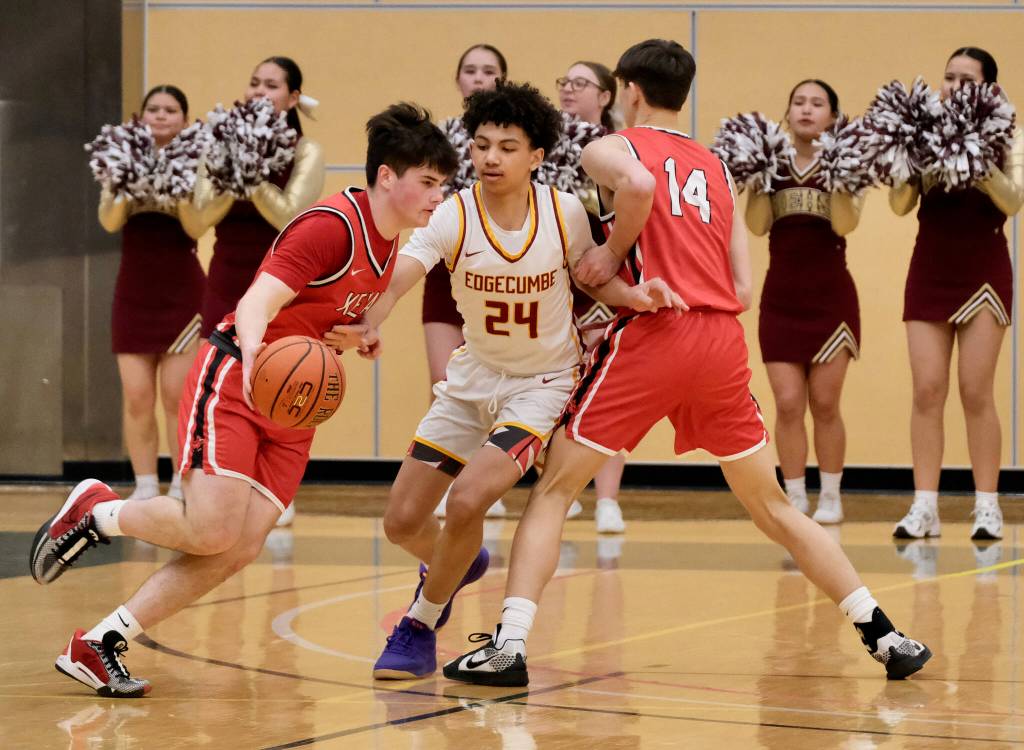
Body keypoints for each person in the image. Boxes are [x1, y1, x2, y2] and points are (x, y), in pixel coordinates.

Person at [443, 39, 931, 688]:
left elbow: (640, 185)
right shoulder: (716, 166)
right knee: (775, 507)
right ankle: (884, 633)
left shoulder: (613, 149)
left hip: (655, 333)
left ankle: (508, 646)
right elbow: (744, 286)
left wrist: (612, 254)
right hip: (720, 339)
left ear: (627, 92)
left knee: (555, 489)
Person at [28, 103, 459, 697]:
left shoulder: (391, 243)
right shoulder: (331, 225)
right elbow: (257, 300)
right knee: (210, 529)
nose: (439, 196)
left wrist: (364, 334)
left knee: (242, 545)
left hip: (294, 405)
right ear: (389, 176)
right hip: (240, 374)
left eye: (443, 185)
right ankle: (97, 513)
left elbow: (339, 312)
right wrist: (257, 355)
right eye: (429, 182)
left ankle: (101, 641)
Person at [332, 82, 679, 681]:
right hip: (471, 381)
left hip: (541, 385)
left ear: (537, 157)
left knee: (468, 499)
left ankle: (418, 624)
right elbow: (400, 277)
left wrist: (634, 296)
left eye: (508, 147)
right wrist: (367, 322)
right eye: (483, 145)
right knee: (402, 523)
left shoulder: (563, 211)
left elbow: (593, 278)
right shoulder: (453, 214)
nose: (490, 158)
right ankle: (460, 559)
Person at [890, 47, 1023, 541]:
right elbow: (901, 203)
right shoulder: (917, 133)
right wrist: (914, 154)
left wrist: (975, 152)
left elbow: (1014, 200)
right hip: (930, 268)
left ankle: (987, 506)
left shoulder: (1010, 134)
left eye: (967, 78)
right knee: (927, 390)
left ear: (989, 87)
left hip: (984, 271)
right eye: (948, 76)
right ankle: (925, 506)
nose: (953, 85)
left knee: (974, 390)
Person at [195, 55, 325, 527]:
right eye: (253, 82)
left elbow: (291, 213)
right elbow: (198, 217)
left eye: (271, 85)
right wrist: (234, 166)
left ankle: (273, 486)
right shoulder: (220, 145)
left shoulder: (305, 150)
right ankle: (206, 477)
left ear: (292, 98)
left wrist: (250, 175)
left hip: (280, 282)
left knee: (281, 377)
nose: (258, 91)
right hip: (225, 276)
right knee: (217, 379)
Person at [745, 80, 864, 525]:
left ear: (833, 116)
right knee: (789, 401)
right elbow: (757, 225)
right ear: (788, 111)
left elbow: (845, 223)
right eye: (798, 102)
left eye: (818, 104)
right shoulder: (768, 165)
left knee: (826, 403)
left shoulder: (848, 162)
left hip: (831, 300)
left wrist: (836, 172)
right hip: (782, 299)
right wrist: (758, 180)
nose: (807, 110)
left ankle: (831, 493)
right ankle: (793, 494)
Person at [98, 85, 208, 502]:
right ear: (141, 116)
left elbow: (198, 226)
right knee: (137, 395)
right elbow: (109, 220)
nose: (161, 116)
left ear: (184, 118)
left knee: (176, 396)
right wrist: (125, 180)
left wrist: (171, 181)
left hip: (182, 293)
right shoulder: (119, 156)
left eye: (171, 110)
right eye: (154, 109)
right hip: (133, 291)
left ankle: (182, 481)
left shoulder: (200, 160)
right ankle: (144, 485)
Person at [430, 44, 510, 520]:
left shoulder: (517, 143)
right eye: (470, 70)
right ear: (458, 79)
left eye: (489, 71)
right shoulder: (440, 139)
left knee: (499, 387)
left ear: (503, 81)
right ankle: (450, 481)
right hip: (446, 273)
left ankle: (488, 488)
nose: (479, 78)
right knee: (445, 384)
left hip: (501, 275)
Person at [557, 60, 627, 532]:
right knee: (559, 389)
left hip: (600, 277)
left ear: (605, 96)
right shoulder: (543, 145)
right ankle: (562, 488)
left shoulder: (617, 149)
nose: (568, 91)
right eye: (564, 83)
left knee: (610, 388)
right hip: (553, 282)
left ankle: (608, 499)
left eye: (580, 84)